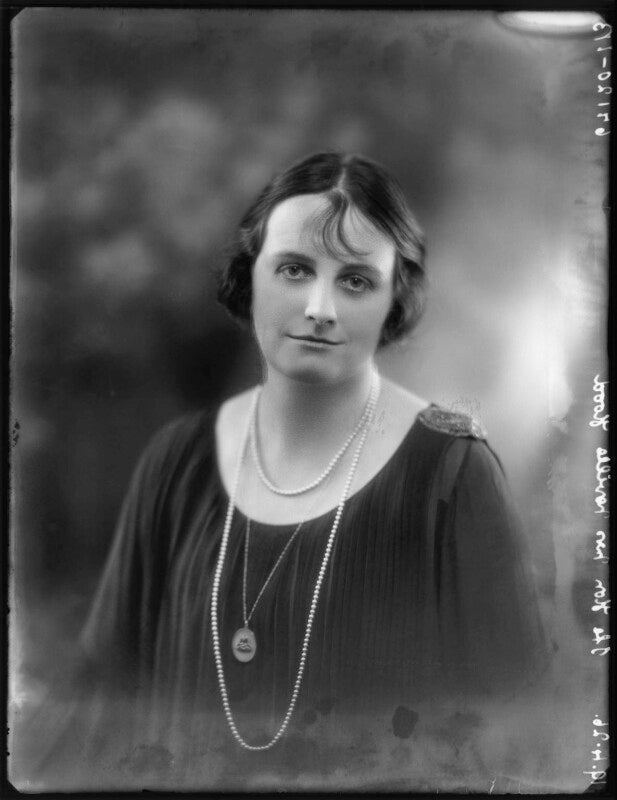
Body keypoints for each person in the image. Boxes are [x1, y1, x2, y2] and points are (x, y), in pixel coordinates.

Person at [21, 152, 551, 792]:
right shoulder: (176, 462)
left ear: (395, 298)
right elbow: (101, 709)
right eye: (295, 270)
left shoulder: (452, 477)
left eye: (356, 280)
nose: (320, 307)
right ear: (251, 277)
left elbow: (517, 746)